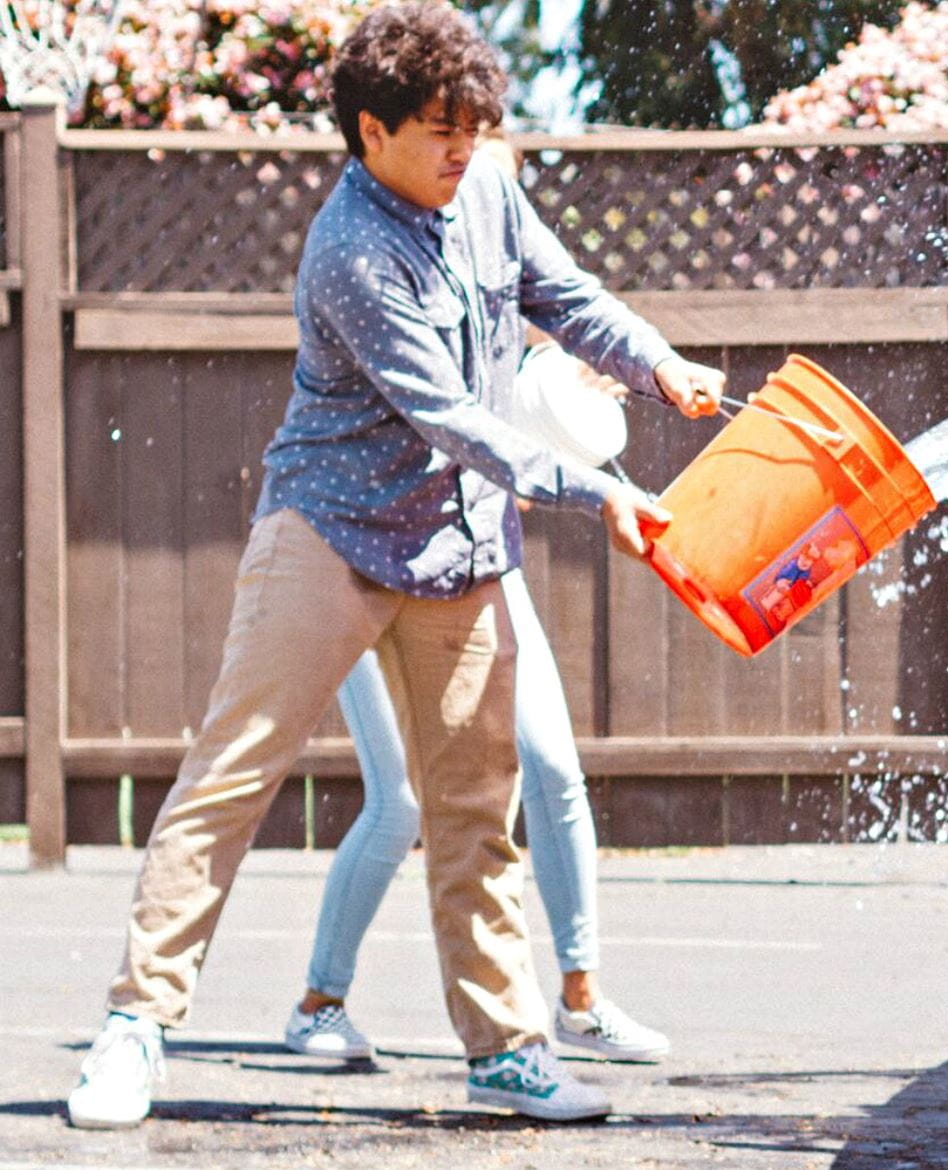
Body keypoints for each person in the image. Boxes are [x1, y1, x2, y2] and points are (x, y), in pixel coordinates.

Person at [66, 3, 722, 1129]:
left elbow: (558, 294)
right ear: (370, 133)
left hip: (456, 545)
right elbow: (455, 417)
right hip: (328, 532)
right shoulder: (352, 251)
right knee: (230, 776)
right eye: (436, 129)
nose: (462, 147)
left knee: (477, 805)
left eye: (473, 123)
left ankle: (507, 1052)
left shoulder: (488, 183)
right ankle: (135, 1027)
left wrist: (660, 364)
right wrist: (599, 491)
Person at [282, 350, 670, 1068]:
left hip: (474, 565)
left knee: (554, 769)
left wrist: (599, 366)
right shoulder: (383, 292)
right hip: (366, 554)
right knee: (399, 804)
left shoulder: (502, 291)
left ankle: (580, 1002)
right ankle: (318, 1004)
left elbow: (552, 323)